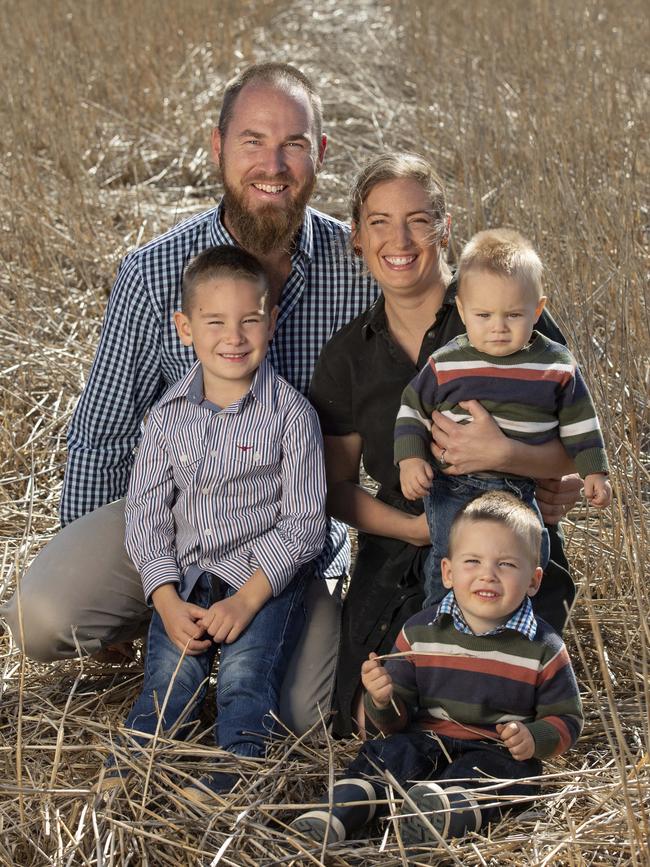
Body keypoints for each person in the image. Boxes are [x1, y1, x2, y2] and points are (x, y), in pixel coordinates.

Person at [1, 63, 376, 732]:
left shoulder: (361, 274)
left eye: (293, 143)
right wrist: (125, 594)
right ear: (218, 146)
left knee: (304, 715)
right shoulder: (154, 274)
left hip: (295, 535)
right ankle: (169, 619)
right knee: (41, 619)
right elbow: (105, 432)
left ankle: (221, 656)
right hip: (176, 515)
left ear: (319, 153)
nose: (274, 163)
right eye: (253, 140)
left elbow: (460, 329)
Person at [308, 152, 582, 737]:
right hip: (399, 548)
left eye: (418, 220)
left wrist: (507, 456)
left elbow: (576, 450)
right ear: (357, 238)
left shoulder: (499, 309)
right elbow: (332, 490)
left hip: (501, 546)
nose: (399, 239)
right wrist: (414, 531)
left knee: (495, 714)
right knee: (373, 717)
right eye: (379, 222)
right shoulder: (348, 355)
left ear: (445, 226)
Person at [104, 245, 326, 799]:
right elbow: (147, 518)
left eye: (250, 320)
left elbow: (304, 526)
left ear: (271, 323)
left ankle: (235, 777)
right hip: (186, 580)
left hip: (264, 580)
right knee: (168, 679)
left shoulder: (292, 415)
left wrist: (247, 600)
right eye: (215, 322)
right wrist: (165, 599)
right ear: (185, 328)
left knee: (245, 679)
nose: (234, 336)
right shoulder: (166, 417)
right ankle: (130, 769)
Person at [289, 492, 583, 846]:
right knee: (388, 756)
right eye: (472, 561)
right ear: (447, 571)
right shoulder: (420, 632)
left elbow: (566, 718)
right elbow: (394, 721)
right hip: (423, 738)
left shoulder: (544, 648)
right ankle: (343, 809)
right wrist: (382, 699)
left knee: (508, 777)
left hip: (491, 750)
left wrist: (535, 737)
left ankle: (441, 815)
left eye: (505, 564)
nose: (487, 575)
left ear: (534, 581)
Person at [396, 228, 611, 607]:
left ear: (537, 310)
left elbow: (580, 420)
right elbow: (412, 407)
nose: (498, 326)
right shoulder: (447, 362)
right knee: (450, 567)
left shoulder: (554, 365)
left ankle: (512, 636)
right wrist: (410, 458)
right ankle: (440, 632)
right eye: (483, 315)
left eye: (513, 315)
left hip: (521, 488)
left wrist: (593, 470)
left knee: (527, 565)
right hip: (455, 490)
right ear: (462, 310)